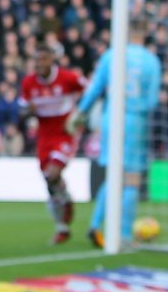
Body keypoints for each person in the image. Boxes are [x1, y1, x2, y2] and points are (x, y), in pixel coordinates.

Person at [68, 22, 161, 247]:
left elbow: (95, 88)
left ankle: (96, 225)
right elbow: (152, 101)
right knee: (131, 179)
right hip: (135, 120)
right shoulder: (151, 61)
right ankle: (125, 235)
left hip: (111, 118)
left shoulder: (112, 55)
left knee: (112, 175)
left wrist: (80, 113)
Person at [20, 47, 86, 244]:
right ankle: (62, 222)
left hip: (65, 132)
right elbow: (22, 111)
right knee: (49, 180)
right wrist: (29, 111)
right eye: (37, 61)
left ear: (52, 60)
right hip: (44, 136)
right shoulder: (29, 83)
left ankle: (64, 213)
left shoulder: (67, 78)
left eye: (44, 60)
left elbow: (90, 91)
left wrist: (79, 114)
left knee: (53, 173)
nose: (40, 65)